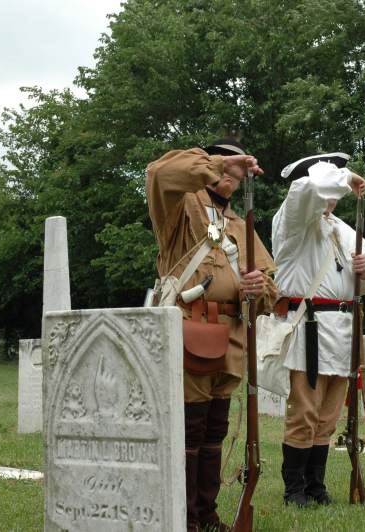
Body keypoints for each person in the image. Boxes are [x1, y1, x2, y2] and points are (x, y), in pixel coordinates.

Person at [147, 138, 278, 532]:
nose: (231, 177)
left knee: (215, 428)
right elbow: (158, 172)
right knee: (189, 426)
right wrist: (219, 163)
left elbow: (271, 289)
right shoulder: (181, 204)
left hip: (232, 334)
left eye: (237, 172)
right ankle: (183, 517)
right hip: (189, 328)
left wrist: (259, 288)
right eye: (227, 169)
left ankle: (206, 515)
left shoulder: (242, 225)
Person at [271, 153, 365, 507]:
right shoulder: (293, 221)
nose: (334, 193)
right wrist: (346, 176)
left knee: (329, 415)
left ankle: (316, 486)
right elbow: (312, 187)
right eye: (330, 180)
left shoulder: (344, 230)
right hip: (309, 328)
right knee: (305, 411)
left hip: (342, 331)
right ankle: (294, 489)